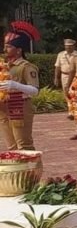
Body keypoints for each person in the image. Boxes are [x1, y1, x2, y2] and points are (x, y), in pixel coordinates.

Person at [0, 21, 40, 150]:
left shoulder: (26, 67)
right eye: (5, 46)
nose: (5, 49)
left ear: (19, 50)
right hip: (4, 108)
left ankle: (32, 170)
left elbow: (35, 90)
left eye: (8, 46)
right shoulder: (3, 66)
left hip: (20, 108)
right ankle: (17, 171)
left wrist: (15, 85)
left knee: (24, 145)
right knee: (11, 147)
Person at [54, 39, 77, 104]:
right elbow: (57, 67)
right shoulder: (61, 54)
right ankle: (70, 109)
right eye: (67, 46)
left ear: (73, 46)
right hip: (64, 76)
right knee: (66, 92)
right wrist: (56, 78)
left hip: (76, 76)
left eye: (70, 46)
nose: (68, 47)